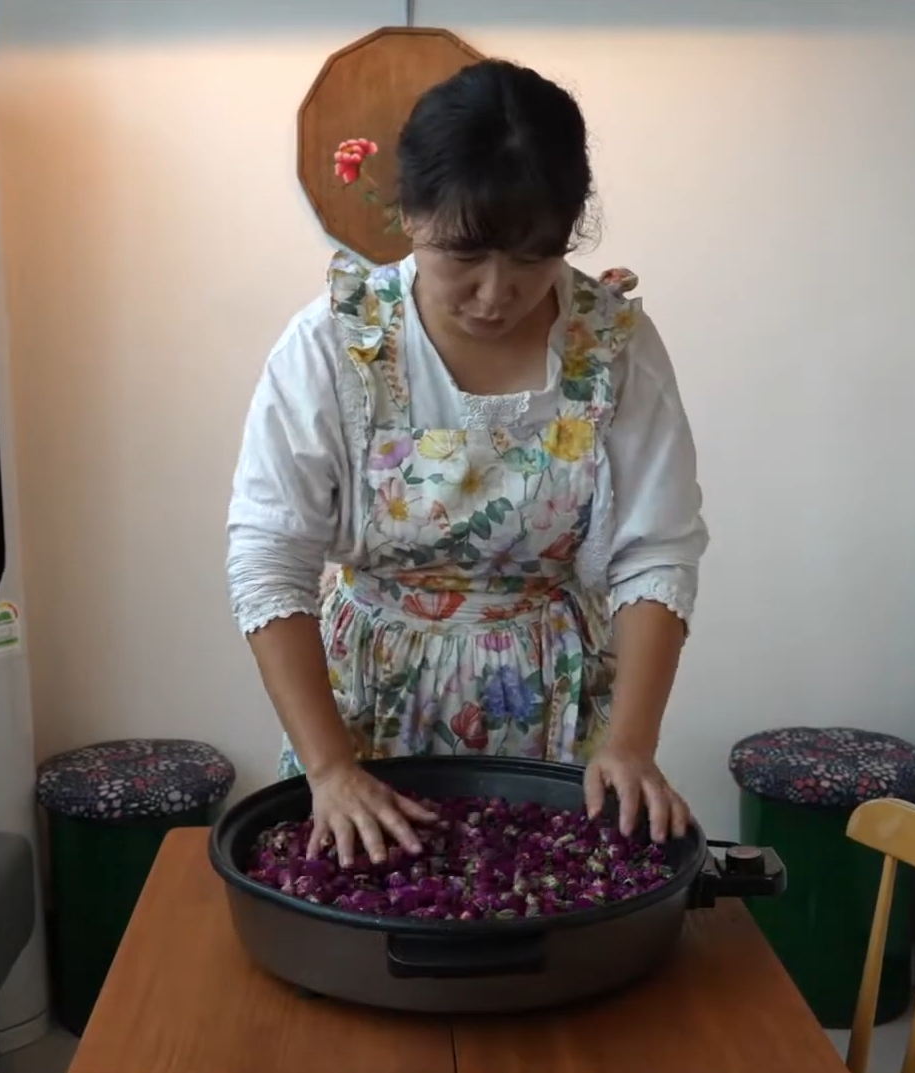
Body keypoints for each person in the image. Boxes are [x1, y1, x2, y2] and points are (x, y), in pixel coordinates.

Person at [225, 59, 708, 869]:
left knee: (543, 909)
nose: (494, 293)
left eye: (532, 258)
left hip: (556, 714)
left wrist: (630, 744)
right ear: (411, 213)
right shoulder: (336, 344)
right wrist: (331, 768)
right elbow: (269, 558)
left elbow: (656, 552)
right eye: (465, 256)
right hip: (362, 718)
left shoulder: (610, 345)